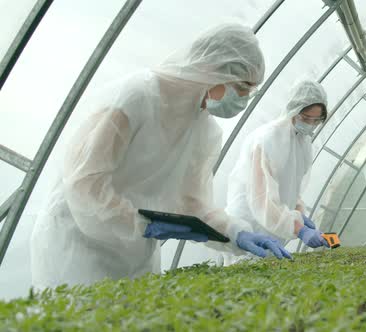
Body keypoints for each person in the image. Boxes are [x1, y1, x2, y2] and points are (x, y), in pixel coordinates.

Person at [30, 24, 291, 289]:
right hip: (77, 242)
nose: (244, 99)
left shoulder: (204, 130)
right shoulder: (137, 96)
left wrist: (237, 233)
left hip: (133, 250)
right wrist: (140, 224)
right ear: (215, 70)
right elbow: (84, 183)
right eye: (243, 88)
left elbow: (192, 205)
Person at [226, 80, 329, 250]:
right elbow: (262, 199)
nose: (310, 124)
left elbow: (291, 190)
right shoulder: (268, 140)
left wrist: (300, 216)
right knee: (245, 271)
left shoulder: (302, 142)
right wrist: (299, 229)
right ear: (293, 110)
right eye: (306, 118)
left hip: (273, 227)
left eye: (316, 120)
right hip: (249, 228)